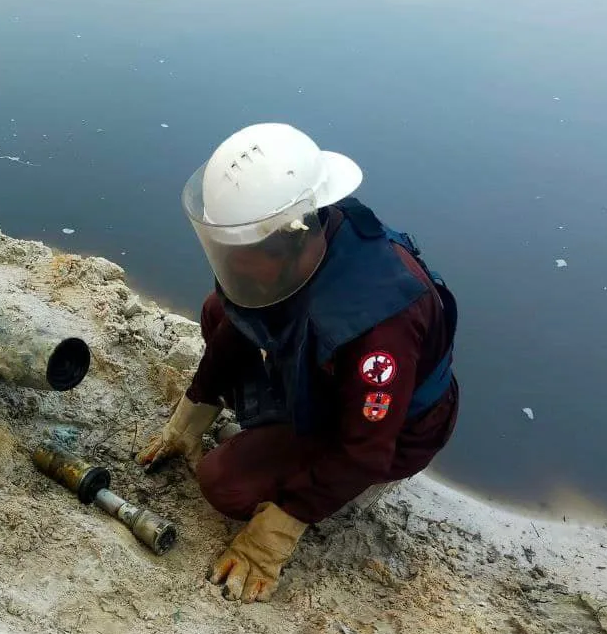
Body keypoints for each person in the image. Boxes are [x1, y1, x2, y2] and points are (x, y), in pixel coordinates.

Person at [137, 123, 459, 603]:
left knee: (224, 483)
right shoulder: (301, 241)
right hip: (329, 378)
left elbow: (365, 448)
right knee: (220, 310)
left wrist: (272, 539)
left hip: (390, 432)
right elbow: (239, 323)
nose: (234, 264)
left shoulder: (380, 330)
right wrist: (189, 419)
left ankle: (346, 487)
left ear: (293, 237)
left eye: (245, 254)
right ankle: (286, 437)